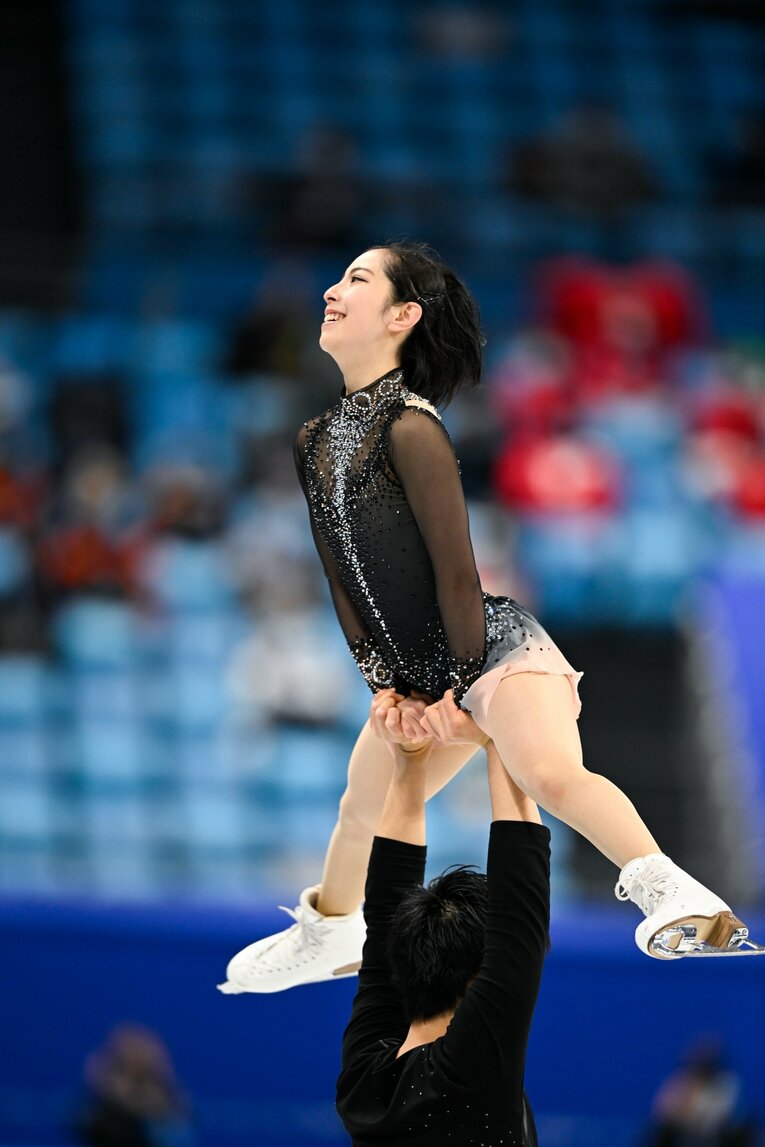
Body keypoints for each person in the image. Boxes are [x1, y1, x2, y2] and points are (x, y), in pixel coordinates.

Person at [218, 241, 755, 995]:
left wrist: (454, 685)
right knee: (358, 805)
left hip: (490, 648)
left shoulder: (413, 428)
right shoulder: (316, 441)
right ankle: (332, 931)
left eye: (357, 280)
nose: (332, 291)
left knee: (547, 771)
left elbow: (457, 572)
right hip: (422, 671)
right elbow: (343, 575)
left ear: (403, 315)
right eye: (336, 278)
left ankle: (675, 895)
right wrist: (388, 683)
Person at [336, 689, 548, 1146]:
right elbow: (517, 927)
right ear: (477, 979)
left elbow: (387, 916)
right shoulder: (465, 1072)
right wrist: (496, 740)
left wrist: (414, 762)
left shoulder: (371, 1081)